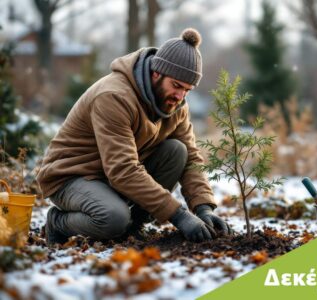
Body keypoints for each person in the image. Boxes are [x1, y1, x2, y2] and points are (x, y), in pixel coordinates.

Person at [37, 28, 232, 246]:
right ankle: (57, 222)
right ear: (156, 73)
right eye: (176, 86)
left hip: (111, 176)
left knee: (178, 151)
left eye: (187, 90)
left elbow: (192, 160)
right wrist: (179, 215)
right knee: (113, 218)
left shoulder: (176, 105)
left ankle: (132, 228)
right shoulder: (114, 97)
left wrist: (203, 207)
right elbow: (122, 169)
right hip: (71, 175)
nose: (180, 96)